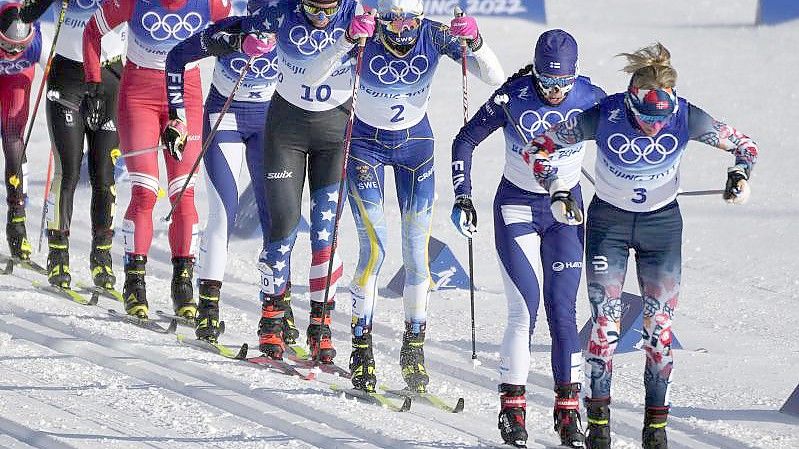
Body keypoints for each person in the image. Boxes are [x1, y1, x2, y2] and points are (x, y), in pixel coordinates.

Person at [523, 43, 759, 449]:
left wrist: (739, 174)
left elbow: (746, 144)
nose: (653, 127)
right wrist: (558, 188)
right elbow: (537, 148)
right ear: (631, 99)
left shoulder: (686, 115)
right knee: (604, 327)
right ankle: (598, 426)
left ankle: (655, 431)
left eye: (661, 120)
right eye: (645, 118)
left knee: (659, 331)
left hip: (661, 228)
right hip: (609, 225)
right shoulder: (607, 113)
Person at [306, 0, 503, 393]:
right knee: (374, 251)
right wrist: (346, 39)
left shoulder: (432, 34)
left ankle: (414, 347)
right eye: (392, 19)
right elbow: (314, 75)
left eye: (409, 18)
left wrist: (477, 42)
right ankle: (362, 347)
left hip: (416, 148)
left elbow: (494, 78)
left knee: (417, 253)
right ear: (380, 16)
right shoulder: (364, 32)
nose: (400, 28)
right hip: (365, 147)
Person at [451, 29, 604, 448]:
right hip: (516, 207)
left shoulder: (591, 96)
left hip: (566, 212)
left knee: (563, 312)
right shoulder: (513, 96)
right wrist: (463, 196)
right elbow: (464, 140)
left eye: (564, 85)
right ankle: (512, 411)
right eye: (548, 83)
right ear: (535, 73)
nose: (555, 93)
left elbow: (618, 136)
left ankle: (568, 414)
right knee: (525, 311)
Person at [208, 0, 361, 363]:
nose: (321, 18)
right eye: (312, 8)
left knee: (326, 236)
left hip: (334, 137)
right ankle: (272, 323)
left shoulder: (359, 16)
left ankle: (321, 327)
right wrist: (236, 42)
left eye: (329, 10)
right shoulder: (281, 13)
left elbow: (409, 32)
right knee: (283, 230)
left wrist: (469, 40)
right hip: (285, 134)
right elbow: (219, 33)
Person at [82, 0, 230, 319]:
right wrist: (93, 84)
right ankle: (135, 283)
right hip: (140, 97)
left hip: (185, 97)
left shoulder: (212, 4)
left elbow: (237, 37)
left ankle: (183, 284)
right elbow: (92, 31)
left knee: (183, 193)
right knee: (146, 191)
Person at [164, 1, 277, 342]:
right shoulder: (228, 27)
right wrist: (176, 114)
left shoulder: (293, 31)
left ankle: (276, 310)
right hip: (224, 117)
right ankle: (208, 307)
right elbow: (176, 58)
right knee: (223, 215)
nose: (267, 26)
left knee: (275, 220)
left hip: (268, 124)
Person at [20, 0, 125, 291]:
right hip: (68, 77)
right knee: (68, 171)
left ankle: (102, 255)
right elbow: (26, 14)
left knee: (104, 174)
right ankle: (58, 252)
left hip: (110, 77)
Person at [0, 1, 45, 263]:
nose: (13, 51)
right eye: (6, 46)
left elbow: (56, 72)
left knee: (13, 139)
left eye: (20, 47)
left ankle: (17, 223)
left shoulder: (38, 41)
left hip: (17, 83)